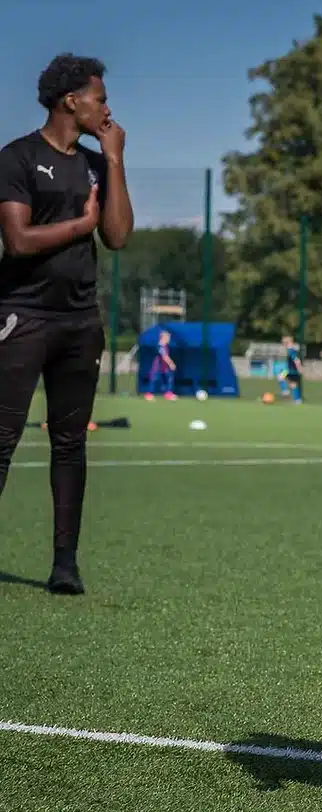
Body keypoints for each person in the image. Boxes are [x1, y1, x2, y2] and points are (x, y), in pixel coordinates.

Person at [0, 53, 134, 595]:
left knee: (70, 442)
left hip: (80, 323)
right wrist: (81, 223)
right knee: (2, 439)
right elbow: (18, 241)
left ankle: (65, 565)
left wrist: (116, 159)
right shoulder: (16, 158)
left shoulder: (98, 163)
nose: (106, 107)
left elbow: (119, 237)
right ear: (69, 101)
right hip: (21, 316)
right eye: (99, 97)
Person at [145, 330, 177, 401]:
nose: (169, 339)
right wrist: (171, 363)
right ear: (164, 338)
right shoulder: (160, 346)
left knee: (169, 378)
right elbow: (164, 356)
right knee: (154, 379)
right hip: (157, 367)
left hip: (164, 367)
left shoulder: (165, 346)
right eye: (168, 337)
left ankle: (168, 394)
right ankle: (149, 394)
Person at [278, 335, 304, 404]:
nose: (283, 344)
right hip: (294, 371)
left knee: (280, 376)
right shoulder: (293, 350)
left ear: (287, 342)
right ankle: (298, 400)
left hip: (291, 370)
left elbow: (296, 360)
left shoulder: (290, 350)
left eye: (284, 343)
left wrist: (300, 367)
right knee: (293, 384)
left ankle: (285, 391)